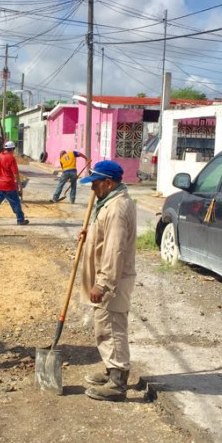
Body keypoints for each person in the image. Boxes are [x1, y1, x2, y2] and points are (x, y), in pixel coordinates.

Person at [78, 160, 137, 402]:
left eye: (95, 184)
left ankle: (117, 383)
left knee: (111, 327)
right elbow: (105, 237)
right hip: (110, 276)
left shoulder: (117, 208)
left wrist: (102, 284)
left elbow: (114, 250)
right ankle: (111, 370)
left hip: (113, 279)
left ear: (108, 183)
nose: (92, 188)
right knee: (105, 326)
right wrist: (89, 233)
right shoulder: (109, 202)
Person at [0, 140, 28, 226]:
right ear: (12, 149)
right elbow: (15, 173)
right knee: (16, 203)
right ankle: (20, 220)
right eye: (13, 149)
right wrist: (19, 185)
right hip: (9, 185)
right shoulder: (11, 158)